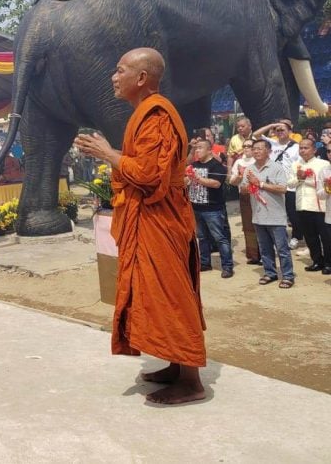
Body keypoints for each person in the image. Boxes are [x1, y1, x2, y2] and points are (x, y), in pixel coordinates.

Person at [74, 48, 205, 405]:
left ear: (142, 78)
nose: (114, 77)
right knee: (156, 294)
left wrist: (108, 154)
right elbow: (142, 164)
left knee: (172, 294)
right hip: (148, 218)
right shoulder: (142, 115)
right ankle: (176, 365)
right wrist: (113, 155)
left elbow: (149, 176)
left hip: (162, 219)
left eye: (120, 70)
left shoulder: (158, 115)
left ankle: (191, 379)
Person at [241, 139, 296, 288]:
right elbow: (242, 189)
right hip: (258, 216)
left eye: (260, 148)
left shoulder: (276, 167)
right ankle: (270, 272)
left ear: (269, 151)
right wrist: (247, 186)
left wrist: (260, 183)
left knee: (282, 249)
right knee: (264, 248)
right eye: (254, 149)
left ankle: (288, 275)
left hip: (275, 216)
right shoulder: (249, 169)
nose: (256, 151)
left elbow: (282, 189)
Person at [187, 139, 234, 278]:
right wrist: (185, 179)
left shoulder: (217, 166)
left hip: (213, 208)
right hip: (196, 207)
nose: (197, 150)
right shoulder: (194, 165)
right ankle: (205, 263)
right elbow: (187, 181)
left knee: (220, 237)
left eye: (200, 148)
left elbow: (216, 184)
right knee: (201, 237)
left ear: (209, 150)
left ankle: (227, 266)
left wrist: (197, 178)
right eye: (196, 148)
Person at [253, 119, 300, 249]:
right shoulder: (271, 143)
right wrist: (272, 125)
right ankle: (281, 237)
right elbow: (256, 135)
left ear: (290, 131)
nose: (279, 132)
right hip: (272, 184)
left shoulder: (296, 147)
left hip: (289, 184)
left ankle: (296, 236)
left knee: (292, 213)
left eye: (282, 130)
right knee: (277, 211)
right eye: (277, 130)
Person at [288, 137, 331, 273]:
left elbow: (324, 184)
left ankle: (329, 263)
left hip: (320, 205)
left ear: (314, 149)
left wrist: (305, 179)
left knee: (325, 236)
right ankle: (317, 261)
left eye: (306, 148)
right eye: (301, 148)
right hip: (302, 204)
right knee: (310, 236)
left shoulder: (323, 164)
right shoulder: (295, 164)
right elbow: (290, 183)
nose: (303, 150)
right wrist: (299, 178)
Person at [227, 139, 261, 264]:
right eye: (244, 146)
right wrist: (239, 177)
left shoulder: (258, 161)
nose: (246, 148)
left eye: (249, 146)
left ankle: (264, 251)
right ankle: (253, 255)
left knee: (261, 224)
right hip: (244, 196)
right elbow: (232, 181)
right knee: (248, 225)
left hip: (259, 195)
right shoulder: (239, 162)